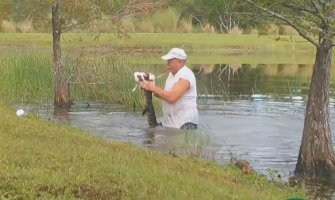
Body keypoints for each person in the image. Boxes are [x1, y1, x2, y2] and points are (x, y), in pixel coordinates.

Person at [140, 47, 199, 129]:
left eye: (170, 61)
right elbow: (163, 94)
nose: (167, 63)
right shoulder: (172, 74)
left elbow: (171, 97)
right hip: (170, 124)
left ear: (179, 61)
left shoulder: (186, 75)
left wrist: (153, 88)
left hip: (185, 124)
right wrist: (150, 87)